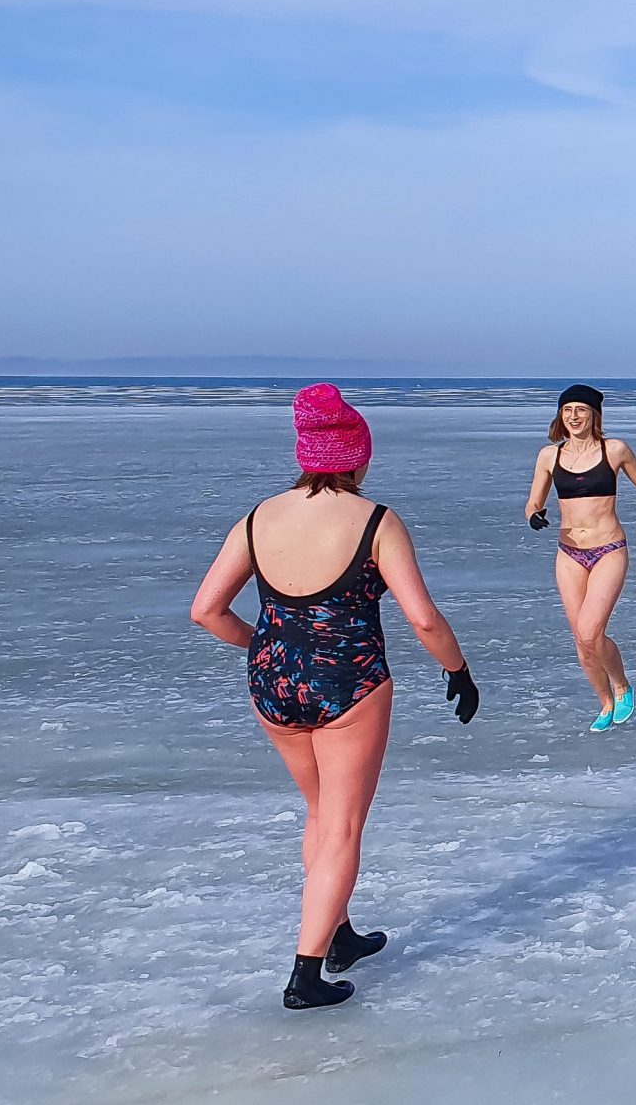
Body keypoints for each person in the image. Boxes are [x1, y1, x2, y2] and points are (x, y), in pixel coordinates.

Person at [189, 385, 478, 1011]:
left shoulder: (258, 517)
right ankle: (307, 973)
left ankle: (339, 931)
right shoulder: (376, 520)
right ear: (356, 458)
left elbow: (206, 610)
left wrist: (263, 647)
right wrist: (458, 670)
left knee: (321, 812)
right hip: (349, 685)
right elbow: (423, 618)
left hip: (273, 683)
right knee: (343, 825)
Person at [525, 384, 636, 732]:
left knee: (591, 631)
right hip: (569, 554)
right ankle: (604, 702)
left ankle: (621, 684)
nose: (573, 416)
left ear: (594, 415)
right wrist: (534, 515)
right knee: (581, 640)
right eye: (567, 409)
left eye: (581, 410)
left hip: (609, 550)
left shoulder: (614, 450)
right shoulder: (549, 456)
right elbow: (533, 501)